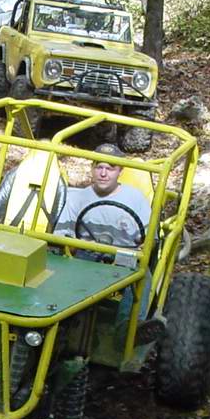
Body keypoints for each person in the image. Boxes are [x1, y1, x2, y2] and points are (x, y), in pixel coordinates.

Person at [53, 143, 162, 341]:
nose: (103, 173)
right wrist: (73, 246)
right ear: (92, 169)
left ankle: (128, 330)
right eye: (99, 167)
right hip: (85, 253)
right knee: (56, 263)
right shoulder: (76, 197)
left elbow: (150, 238)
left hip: (124, 255)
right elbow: (61, 234)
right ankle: (60, 322)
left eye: (110, 168)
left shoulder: (135, 198)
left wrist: (143, 247)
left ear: (120, 171)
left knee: (142, 276)